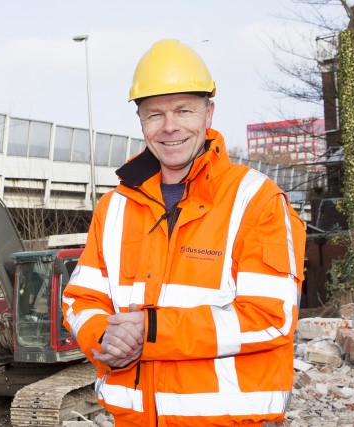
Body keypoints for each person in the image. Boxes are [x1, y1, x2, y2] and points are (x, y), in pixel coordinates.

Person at [61, 39, 306, 426]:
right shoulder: (114, 207)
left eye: (184, 110)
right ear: (140, 122)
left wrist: (153, 330)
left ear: (209, 113)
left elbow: (270, 316)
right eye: (154, 114)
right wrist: (101, 337)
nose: (170, 127)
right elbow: (82, 299)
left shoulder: (256, 200)